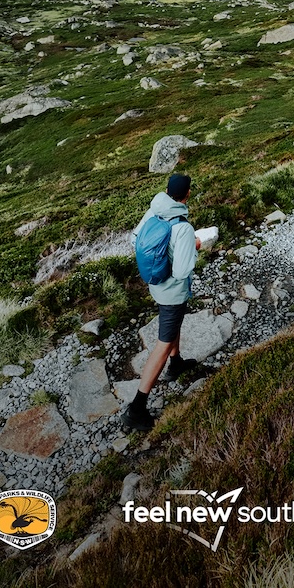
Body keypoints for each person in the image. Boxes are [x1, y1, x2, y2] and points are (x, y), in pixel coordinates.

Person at [122, 172, 201, 432]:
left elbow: (134, 239)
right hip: (172, 294)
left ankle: (176, 365)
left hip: (155, 284)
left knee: (173, 327)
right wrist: (195, 246)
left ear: (167, 191)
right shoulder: (183, 228)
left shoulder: (154, 211)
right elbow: (182, 271)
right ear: (187, 194)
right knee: (162, 345)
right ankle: (136, 408)